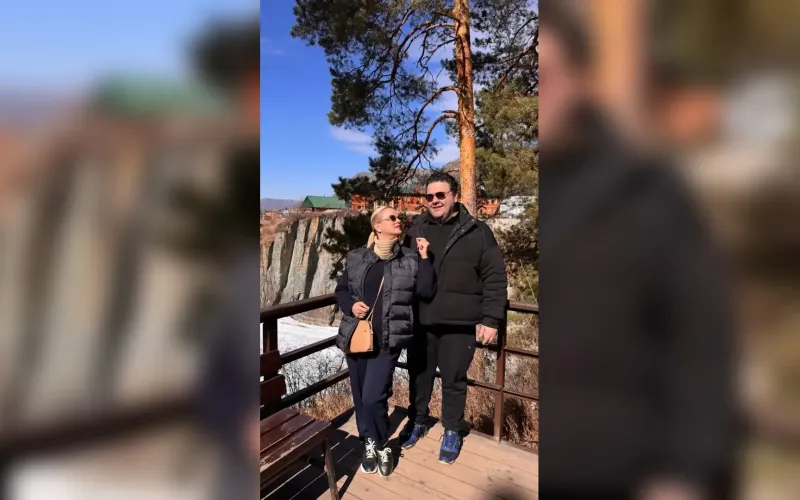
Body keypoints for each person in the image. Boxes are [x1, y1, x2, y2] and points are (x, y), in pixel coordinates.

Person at [538, 4, 737, 499]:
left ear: (580, 81)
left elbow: (702, 338)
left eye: (546, 78)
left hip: (626, 463)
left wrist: (687, 468)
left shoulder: (645, 191)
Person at [399, 171, 508, 465]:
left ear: (455, 196)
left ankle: (451, 430)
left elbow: (495, 276)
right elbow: (402, 272)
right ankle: (417, 420)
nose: (434, 200)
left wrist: (491, 319)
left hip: (459, 324)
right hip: (421, 321)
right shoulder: (416, 228)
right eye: (429, 196)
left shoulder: (478, 231)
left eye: (440, 195)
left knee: (454, 380)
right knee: (419, 376)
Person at [334, 206, 435, 477]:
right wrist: (350, 305)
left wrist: (425, 257)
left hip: (388, 341)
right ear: (377, 226)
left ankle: (381, 444)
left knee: (373, 397)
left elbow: (426, 292)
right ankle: (369, 442)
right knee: (360, 397)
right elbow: (341, 290)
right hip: (357, 337)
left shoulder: (409, 258)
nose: (398, 220)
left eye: (398, 217)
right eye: (392, 217)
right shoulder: (357, 257)